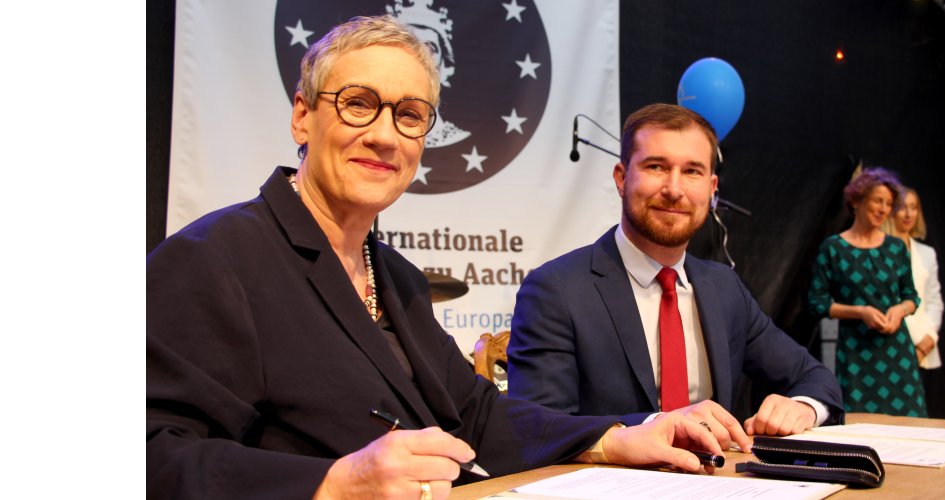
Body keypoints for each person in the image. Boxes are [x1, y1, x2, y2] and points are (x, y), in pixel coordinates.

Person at [147, 16, 722, 499]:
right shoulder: (211, 259)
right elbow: (150, 455)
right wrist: (334, 483)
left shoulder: (396, 276)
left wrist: (617, 437)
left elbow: (479, 415)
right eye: (357, 104)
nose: (385, 136)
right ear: (302, 115)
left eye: (409, 115)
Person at [508, 104, 843, 448]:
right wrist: (657, 426)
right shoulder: (557, 290)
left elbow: (815, 377)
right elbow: (537, 429)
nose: (674, 188)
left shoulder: (724, 287)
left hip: (720, 476)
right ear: (621, 178)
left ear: (712, 188)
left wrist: (803, 407)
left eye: (692, 171)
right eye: (656, 166)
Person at [807, 167, 927, 417]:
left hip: (897, 352)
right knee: (860, 421)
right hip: (856, 352)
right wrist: (860, 312)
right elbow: (817, 303)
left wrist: (899, 310)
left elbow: (911, 296)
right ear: (857, 201)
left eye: (889, 204)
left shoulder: (895, 248)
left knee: (909, 423)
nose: (884, 209)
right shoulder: (834, 248)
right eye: (877, 201)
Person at [885, 186, 943, 370]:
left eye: (913, 207)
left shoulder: (927, 253)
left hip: (924, 348)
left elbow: (934, 301)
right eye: (902, 207)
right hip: (890, 344)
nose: (908, 214)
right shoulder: (879, 251)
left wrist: (929, 339)